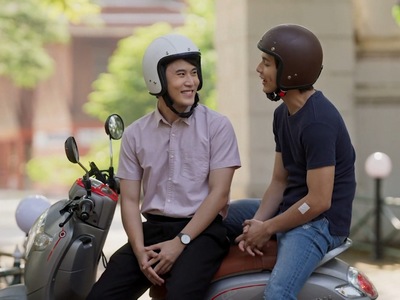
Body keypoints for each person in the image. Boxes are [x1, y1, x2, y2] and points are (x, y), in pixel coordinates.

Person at [86, 33, 241, 300]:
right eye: (180, 74)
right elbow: (130, 200)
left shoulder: (217, 126)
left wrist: (180, 242)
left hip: (202, 232)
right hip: (152, 231)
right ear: (156, 79)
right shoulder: (135, 134)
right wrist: (138, 250)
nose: (191, 82)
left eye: (194, 73)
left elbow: (220, 195)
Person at [231, 24, 356, 300]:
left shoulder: (317, 122)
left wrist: (270, 228)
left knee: (277, 294)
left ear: (290, 70)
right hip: (294, 206)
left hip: (320, 223)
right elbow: (279, 181)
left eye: (266, 63)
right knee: (226, 215)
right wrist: (258, 222)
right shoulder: (282, 115)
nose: (258, 70)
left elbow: (320, 200)